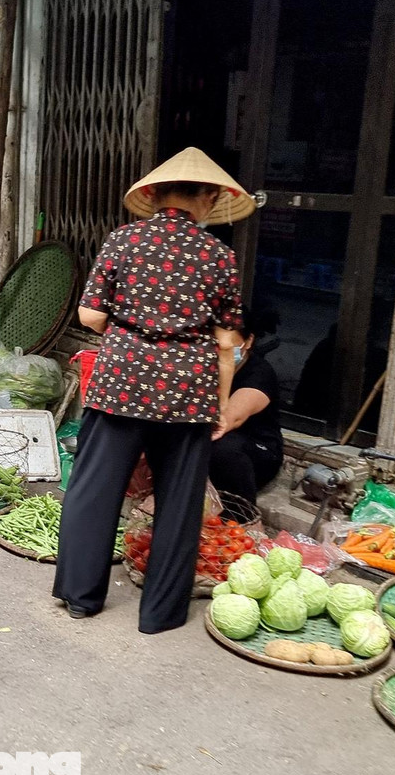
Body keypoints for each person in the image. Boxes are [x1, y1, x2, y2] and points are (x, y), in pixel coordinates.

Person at [52, 147, 257, 634]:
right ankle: (160, 614)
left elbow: (90, 316)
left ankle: (81, 597)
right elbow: (227, 342)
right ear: (207, 197)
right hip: (188, 392)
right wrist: (222, 405)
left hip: (121, 382)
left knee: (94, 489)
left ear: (155, 195)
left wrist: (136, 336)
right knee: (180, 502)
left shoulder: (123, 241)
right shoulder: (219, 256)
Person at [208, 308, 284, 502]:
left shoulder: (259, 373)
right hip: (213, 441)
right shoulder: (204, 365)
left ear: (248, 341)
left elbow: (232, 417)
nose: (221, 353)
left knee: (221, 447)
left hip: (257, 450)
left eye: (228, 347)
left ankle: (240, 517)